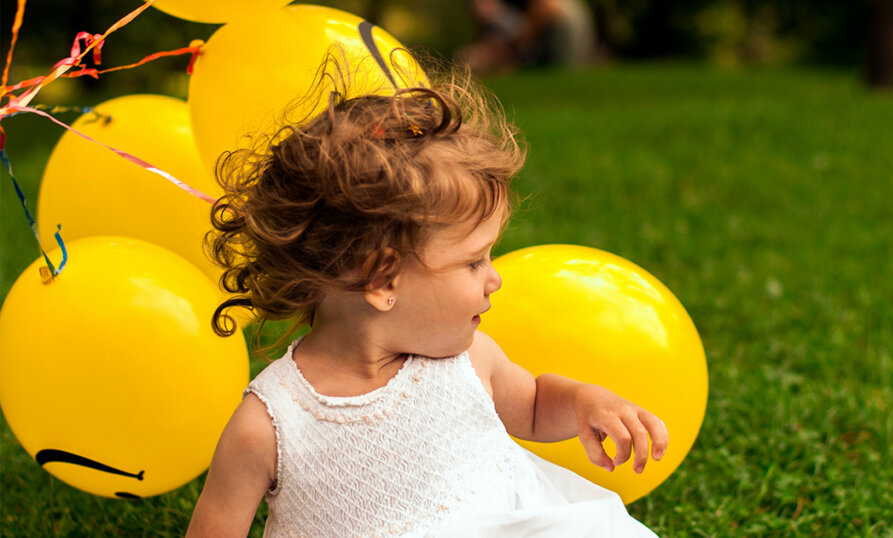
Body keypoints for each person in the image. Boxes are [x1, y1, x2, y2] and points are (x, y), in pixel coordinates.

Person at [186, 64, 668, 537]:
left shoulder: (467, 361)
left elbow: (535, 403)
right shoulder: (271, 424)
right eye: (474, 261)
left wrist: (587, 402)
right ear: (383, 280)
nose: (494, 278)